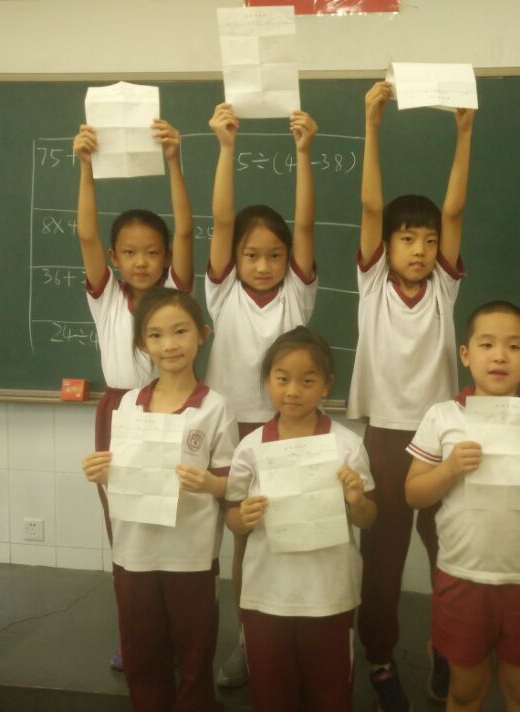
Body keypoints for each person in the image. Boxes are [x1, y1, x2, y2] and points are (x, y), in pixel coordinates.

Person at [348, 79, 475, 710]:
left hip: (442, 436)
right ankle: (378, 658)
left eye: (427, 241)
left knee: (452, 550)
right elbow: (372, 206)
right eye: (407, 239)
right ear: (388, 246)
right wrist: (372, 126)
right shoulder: (373, 282)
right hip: (387, 435)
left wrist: (464, 134)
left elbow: (453, 213)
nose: (421, 249)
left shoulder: (444, 288)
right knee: (383, 559)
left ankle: (448, 650)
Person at [404, 301, 520, 712]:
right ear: (466, 355)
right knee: (465, 691)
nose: (499, 356)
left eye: (514, 347)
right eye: (486, 345)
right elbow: (413, 494)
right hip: (463, 576)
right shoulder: (443, 416)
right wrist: (448, 469)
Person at [204, 103, 319, 687]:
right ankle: (249, 643)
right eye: (251, 255)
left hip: (289, 429)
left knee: (294, 535)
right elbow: (222, 221)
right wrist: (226, 149)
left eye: (275, 255)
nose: (265, 265)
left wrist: (303, 153)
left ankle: (297, 636)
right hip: (233, 431)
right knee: (245, 536)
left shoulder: (297, 294)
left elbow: (305, 226)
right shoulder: (222, 293)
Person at [73, 118, 194, 670]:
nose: (141, 261)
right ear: (115, 258)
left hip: (174, 409)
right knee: (124, 528)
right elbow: (86, 235)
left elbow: (187, 232)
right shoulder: (105, 295)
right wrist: (85, 167)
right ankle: (136, 638)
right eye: (130, 252)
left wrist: (174, 161)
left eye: (152, 252)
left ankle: (179, 637)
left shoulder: (175, 294)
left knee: (173, 524)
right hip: (117, 411)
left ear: (165, 257)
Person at [81, 288, 234, 711]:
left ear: (202, 335)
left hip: (191, 554)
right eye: (156, 335)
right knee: (142, 653)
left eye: (180, 331)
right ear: (142, 344)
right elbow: (121, 472)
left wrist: (210, 484)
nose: (170, 345)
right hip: (135, 552)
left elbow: (229, 483)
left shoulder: (216, 407)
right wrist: (100, 471)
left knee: (195, 654)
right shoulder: (130, 404)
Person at [225, 326, 377, 712]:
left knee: (330, 694)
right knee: (271, 694)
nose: (293, 391)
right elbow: (232, 517)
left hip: (328, 595)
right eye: (282, 379)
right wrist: (243, 516)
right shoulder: (251, 447)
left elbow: (368, 519)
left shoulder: (346, 444)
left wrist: (357, 500)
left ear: (326, 385)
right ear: (267, 381)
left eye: (307, 381)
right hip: (266, 595)